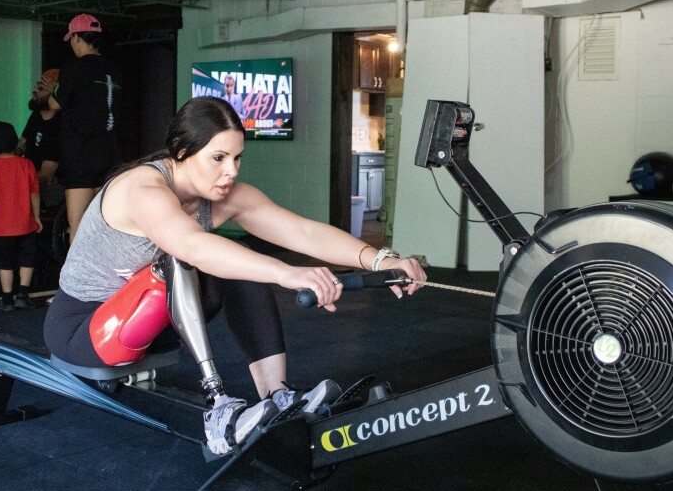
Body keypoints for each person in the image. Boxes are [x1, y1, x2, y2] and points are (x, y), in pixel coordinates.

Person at [43, 96, 426, 455]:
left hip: (153, 325)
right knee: (183, 259)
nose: (231, 171)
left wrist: (381, 260)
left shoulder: (223, 196)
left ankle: (277, 394)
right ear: (180, 150)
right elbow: (192, 245)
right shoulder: (143, 189)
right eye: (218, 158)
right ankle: (219, 409)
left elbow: (303, 232)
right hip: (84, 330)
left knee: (240, 262)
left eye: (237, 158)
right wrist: (286, 273)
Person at [44, 13, 123, 244]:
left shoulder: (74, 68)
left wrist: (48, 93)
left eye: (71, 39)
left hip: (79, 155)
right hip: (108, 154)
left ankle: (77, 269)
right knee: (103, 225)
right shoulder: (114, 70)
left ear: (77, 38)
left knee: (77, 225)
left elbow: (54, 104)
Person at [0, 121, 44, 311]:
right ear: (15, 141)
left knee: (5, 263)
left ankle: (7, 300)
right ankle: (22, 295)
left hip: (0, 227)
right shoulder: (27, 165)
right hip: (25, 224)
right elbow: (34, 194)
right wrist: (36, 217)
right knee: (27, 259)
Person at [18, 68, 63, 209]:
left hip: (48, 192)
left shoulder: (61, 125)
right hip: (30, 186)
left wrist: (15, 181)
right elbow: (20, 147)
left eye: (41, 87)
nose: (34, 91)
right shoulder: (36, 115)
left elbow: (46, 175)